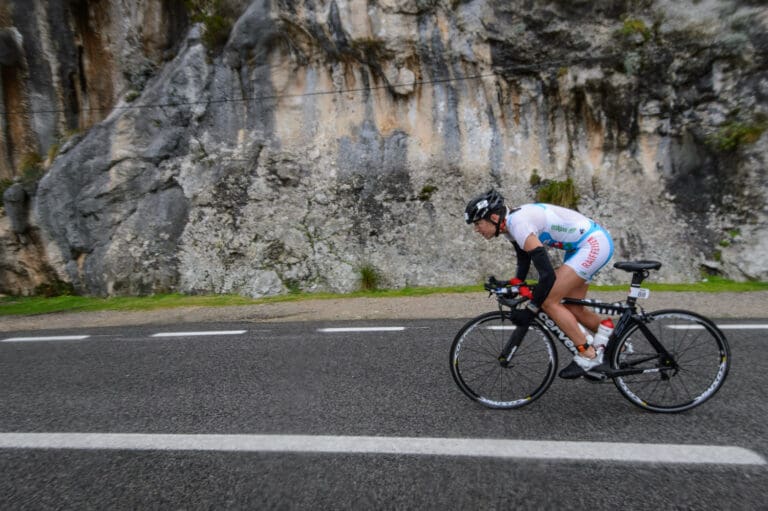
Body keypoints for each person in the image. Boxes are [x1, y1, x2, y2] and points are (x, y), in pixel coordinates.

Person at [464, 188, 614, 378]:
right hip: (581, 246)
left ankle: (588, 354)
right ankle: (618, 344)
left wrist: (531, 309)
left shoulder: (519, 224)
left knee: (549, 301)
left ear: (494, 217)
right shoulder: (510, 226)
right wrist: (514, 284)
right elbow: (524, 260)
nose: (476, 229)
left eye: (478, 223)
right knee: (574, 309)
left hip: (593, 244)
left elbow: (547, 276)